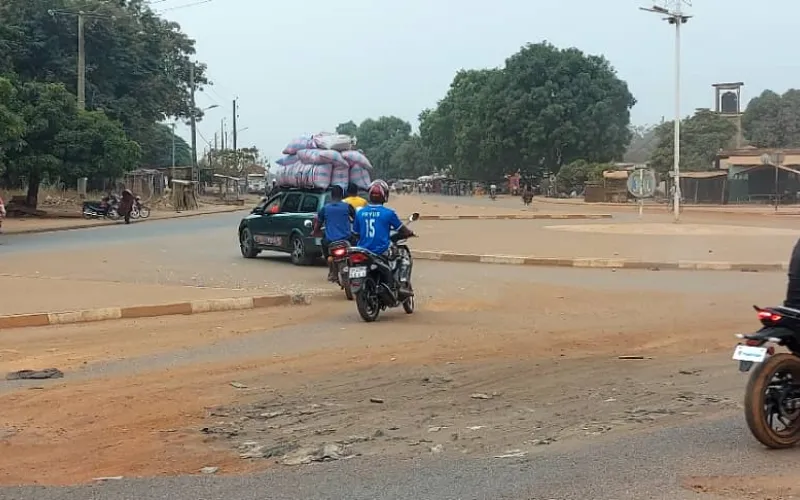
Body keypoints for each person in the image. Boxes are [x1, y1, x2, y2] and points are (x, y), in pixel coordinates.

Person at [353, 180, 414, 293]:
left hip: (362, 250)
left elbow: (356, 232)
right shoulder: (389, 213)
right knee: (403, 259)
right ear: (385, 195)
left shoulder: (360, 212)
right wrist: (409, 232)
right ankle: (400, 285)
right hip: (381, 250)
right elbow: (402, 229)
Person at [313, 185, 355, 282]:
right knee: (356, 250)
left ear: (331, 196)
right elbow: (356, 220)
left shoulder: (325, 208)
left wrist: (315, 232)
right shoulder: (348, 207)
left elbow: (318, 224)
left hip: (330, 241)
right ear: (342, 196)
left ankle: (331, 270)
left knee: (325, 247)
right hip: (347, 239)